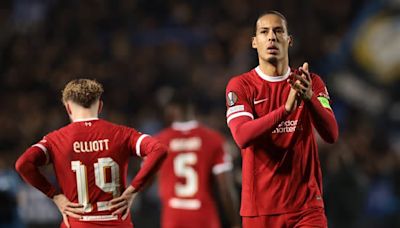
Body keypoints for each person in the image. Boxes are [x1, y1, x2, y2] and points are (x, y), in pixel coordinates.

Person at [225, 11, 339, 228]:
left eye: (278, 31)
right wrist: (285, 110)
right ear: (254, 42)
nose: (271, 37)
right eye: (264, 32)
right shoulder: (241, 86)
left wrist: (310, 99)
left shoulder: (310, 82)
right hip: (260, 211)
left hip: (306, 207)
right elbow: (242, 136)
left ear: (289, 40)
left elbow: (332, 134)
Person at [15, 79, 168, 228]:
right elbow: (159, 150)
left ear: (68, 108)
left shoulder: (56, 140)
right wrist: (133, 190)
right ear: (100, 106)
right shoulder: (122, 134)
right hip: (117, 223)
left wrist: (55, 196)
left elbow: (23, 164)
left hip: (77, 223)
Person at [156, 92, 241, 228]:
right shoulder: (214, 140)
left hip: (173, 216)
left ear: (171, 109)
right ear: (192, 108)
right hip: (203, 216)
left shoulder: (159, 141)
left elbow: (144, 181)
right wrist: (236, 223)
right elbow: (226, 189)